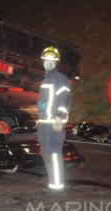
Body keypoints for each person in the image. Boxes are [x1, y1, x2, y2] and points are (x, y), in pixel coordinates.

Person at [37, 46, 71, 193]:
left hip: (54, 124)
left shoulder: (59, 78)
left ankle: (57, 186)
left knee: (53, 154)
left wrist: (59, 117)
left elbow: (65, 99)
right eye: (46, 60)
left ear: (56, 62)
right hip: (44, 125)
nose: (48, 62)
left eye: (51, 60)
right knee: (46, 154)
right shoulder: (46, 79)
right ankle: (53, 182)